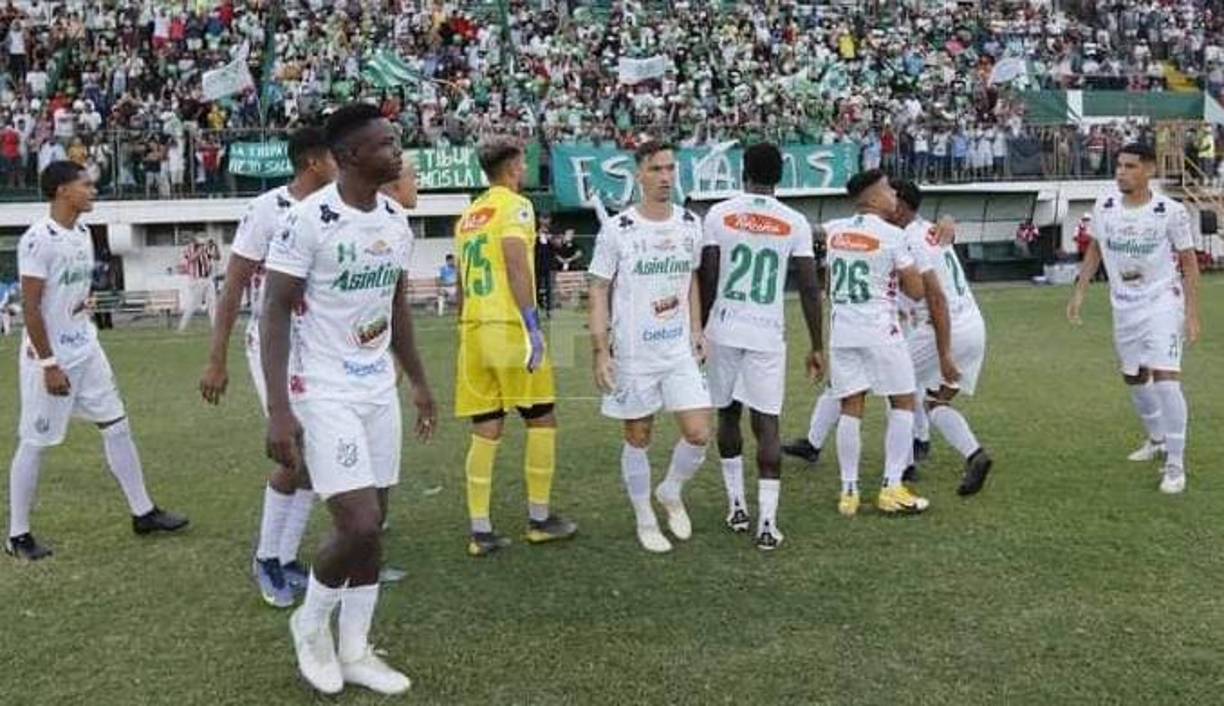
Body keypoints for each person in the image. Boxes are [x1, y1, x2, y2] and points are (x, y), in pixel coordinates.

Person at [263, 104, 437, 695]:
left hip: (376, 389)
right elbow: (274, 311)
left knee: (377, 523)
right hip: (322, 389)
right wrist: (280, 409)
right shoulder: (308, 221)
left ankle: (356, 649)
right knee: (357, 524)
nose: (398, 153)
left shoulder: (393, 219)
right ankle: (310, 625)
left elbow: (395, 308)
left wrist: (417, 380)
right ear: (351, 156)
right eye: (386, 144)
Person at [6, 161, 188, 561]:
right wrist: (49, 363)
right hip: (50, 358)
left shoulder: (85, 233)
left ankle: (143, 512)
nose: (93, 191)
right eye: (85, 185)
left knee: (117, 424)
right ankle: (17, 534)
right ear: (61, 191)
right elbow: (32, 309)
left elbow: (69, 292)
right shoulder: (38, 240)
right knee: (36, 441)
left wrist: (80, 308)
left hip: (87, 348)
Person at [198, 126, 336, 608]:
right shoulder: (267, 210)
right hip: (275, 347)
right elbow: (234, 286)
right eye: (336, 156)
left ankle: (286, 556)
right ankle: (266, 558)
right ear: (315, 162)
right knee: (293, 452)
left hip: (322, 348)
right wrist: (217, 358)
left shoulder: (335, 208)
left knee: (317, 461)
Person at [453, 137, 576, 557]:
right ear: (513, 167)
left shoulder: (469, 213)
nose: (525, 169)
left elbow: (461, 280)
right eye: (522, 163)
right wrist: (531, 323)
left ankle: (480, 529)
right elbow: (515, 260)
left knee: (486, 426)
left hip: (473, 328)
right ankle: (540, 519)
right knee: (542, 417)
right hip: (508, 326)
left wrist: (466, 320)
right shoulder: (516, 206)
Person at [697, 143, 823, 550]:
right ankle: (767, 524)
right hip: (767, 332)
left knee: (728, 414)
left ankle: (736, 505)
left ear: (742, 171)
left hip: (724, 327)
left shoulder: (718, 213)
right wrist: (817, 344)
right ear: (780, 175)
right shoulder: (795, 221)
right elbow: (808, 285)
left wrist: (700, 327)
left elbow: (709, 275)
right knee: (767, 424)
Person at [588, 141, 711, 554]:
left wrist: (696, 328)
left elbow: (691, 278)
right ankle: (644, 516)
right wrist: (601, 350)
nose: (665, 177)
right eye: (656, 169)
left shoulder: (692, 223)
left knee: (698, 432)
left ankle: (671, 490)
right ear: (639, 175)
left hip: (677, 350)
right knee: (639, 435)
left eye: (670, 169)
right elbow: (599, 288)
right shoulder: (618, 229)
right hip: (634, 353)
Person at [1067, 142, 1201, 495]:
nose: (1121, 172)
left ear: (1149, 171)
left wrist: (1191, 314)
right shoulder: (1104, 206)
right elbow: (1095, 249)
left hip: (1162, 301)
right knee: (1134, 377)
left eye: (1129, 166)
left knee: (1166, 379)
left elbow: (1188, 262)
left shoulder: (1170, 211)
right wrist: (1079, 292)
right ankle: (1156, 439)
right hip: (1124, 305)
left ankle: (1175, 464)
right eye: (1119, 166)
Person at [820, 169, 928, 517]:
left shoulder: (835, 230)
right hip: (880, 330)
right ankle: (891, 486)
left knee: (852, 405)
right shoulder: (893, 236)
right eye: (887, 190)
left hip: (843, 332)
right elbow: (916, 290)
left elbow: (828, 278)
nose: (894, 196)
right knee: (904, 401)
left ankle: (848, 492)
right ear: (871, 197)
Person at [892, 180, 993, 495]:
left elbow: (936, 299)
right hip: (973, 323)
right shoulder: (930, 231)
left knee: (897, 387)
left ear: (902, 204)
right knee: (934, 401)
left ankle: (900, 469)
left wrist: (945, 351)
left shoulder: (909, 239)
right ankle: (975, 455)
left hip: (944, 326)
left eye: (887, 198)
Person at [178, 235, 221, 332]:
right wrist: (202, 249)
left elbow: (217, 257)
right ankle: (182, 326)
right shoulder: (189, 249)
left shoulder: (206, 249)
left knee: (212, 303)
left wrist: (216, 247)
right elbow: (191, 259)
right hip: (196, 280)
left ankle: (215, 327)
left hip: (208, 278)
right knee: (193, 304)